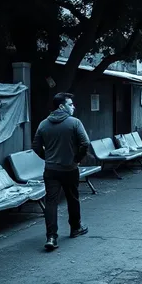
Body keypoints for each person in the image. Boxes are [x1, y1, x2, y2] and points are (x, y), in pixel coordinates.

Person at [32, 92, 90, 252]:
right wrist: (76, 159)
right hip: (70, 169)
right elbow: (85, 143)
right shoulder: (75, 123)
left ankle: (51, 237)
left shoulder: (43, 124)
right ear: (61, 106)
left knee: (51, 203)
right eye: (71, 104)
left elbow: (35, 147)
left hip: (51, 170)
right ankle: (75, 228)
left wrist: (47, 158)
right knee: (72, 198)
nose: (74, 107)